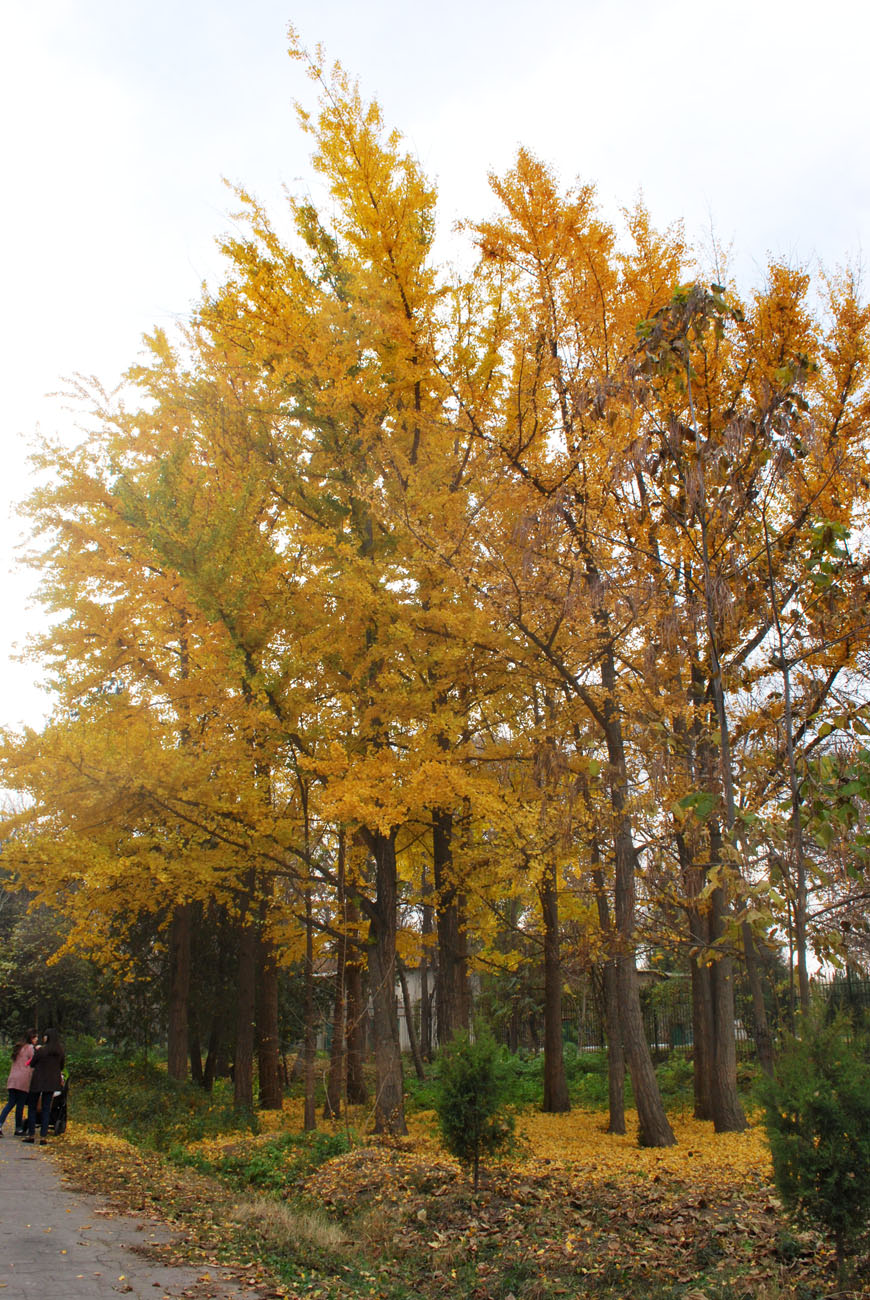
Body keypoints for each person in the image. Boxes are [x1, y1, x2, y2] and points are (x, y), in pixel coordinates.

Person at [24, 1027, 65, 1145]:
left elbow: (32, 1064)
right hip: (52, 1083)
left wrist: (37, 1051)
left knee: (32, 1107)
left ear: (47, 1038)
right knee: (47, 1109)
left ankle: (31, 1134)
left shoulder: (41, 1051)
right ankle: (43, 1136)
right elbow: (62, 1066)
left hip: (38, 1082)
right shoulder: (60, 1052)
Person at [0, 1028, 38, 1136]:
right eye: (35, 1037)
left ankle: (0, 1123)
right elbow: (32, 1062)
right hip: (23, 1079)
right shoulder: (30, 1048)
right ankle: (18, 1128)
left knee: (11, 1103)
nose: (37, 1040)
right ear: (31, 1038)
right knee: (20, 1104)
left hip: (13, 1078)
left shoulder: (19, 1047)